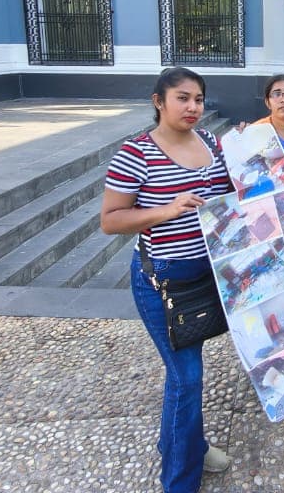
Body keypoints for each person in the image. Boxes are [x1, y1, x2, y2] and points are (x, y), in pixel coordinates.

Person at [100, 68, 234, 493]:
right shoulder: (135, 153)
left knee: (188, 370)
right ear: (159, 101)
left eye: (198, 99)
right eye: (182, 98)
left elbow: (231, 190)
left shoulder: (211, 142)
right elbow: (111, 221)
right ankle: (180, 480)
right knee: (186, 377)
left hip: (209, 275)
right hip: (164, 281)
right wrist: (166, 210)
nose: (192, 107)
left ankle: (188, 444)